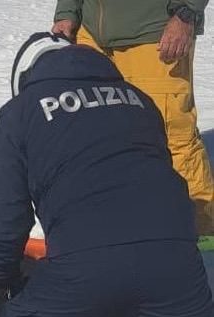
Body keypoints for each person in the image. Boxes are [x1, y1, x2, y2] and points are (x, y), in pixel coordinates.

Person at [0, 33, 214, 317]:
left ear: (27, 77)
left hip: (89, 261)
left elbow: (8, 212)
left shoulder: (19, 113)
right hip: (175, 256)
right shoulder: (140, 101)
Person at [52, 0, 214, 236]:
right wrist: (67, 11)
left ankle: (202, 236)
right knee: (96, 141)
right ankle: (108, 235)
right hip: (91, 36)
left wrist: (186, 14)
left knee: (172, 140)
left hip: (156, 34)